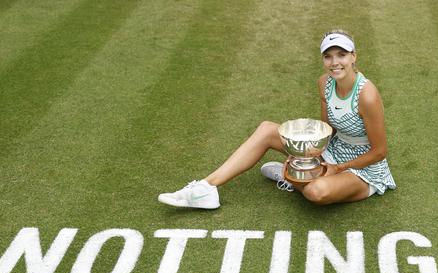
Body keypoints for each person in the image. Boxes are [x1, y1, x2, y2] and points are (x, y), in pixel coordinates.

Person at [158, 29, 396, 209]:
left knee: (317, 192)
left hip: (364, 167)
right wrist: (306, 153)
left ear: (354, 56)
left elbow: (380, 151)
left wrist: (338, 168)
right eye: (328, 56)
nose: (334, 63)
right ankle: (206, 188)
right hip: (334, 150)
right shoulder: (325, 83)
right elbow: (329, 130)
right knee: (266, 129)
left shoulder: (367, 95)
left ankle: (290, 177)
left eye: (341, 55)